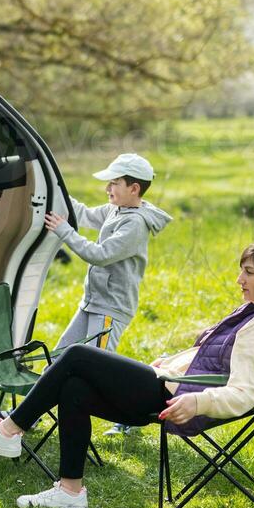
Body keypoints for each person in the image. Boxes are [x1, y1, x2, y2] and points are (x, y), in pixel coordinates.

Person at [0, 240, 254, 508]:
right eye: (242, 269)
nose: (240, 278)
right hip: (168, 385)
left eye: (250, 272)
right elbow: (216, 358)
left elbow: (245, 391)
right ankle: (70, 492)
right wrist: (175, 361)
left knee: (78, 355)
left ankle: (10, 430)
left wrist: (195, 400)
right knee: (74, 386)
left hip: (171, 399)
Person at [42, 152, 172, 436]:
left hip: (111, 308)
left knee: (98, 371)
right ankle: (33, 411)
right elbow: (86, 214)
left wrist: (64, 231)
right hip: (91, 303)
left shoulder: (135, 225)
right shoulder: (115, 210)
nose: (107, 189)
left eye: (114, 183)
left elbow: (100, 255)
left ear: (134, 188)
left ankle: (131, 414)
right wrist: (54, 190)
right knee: (60, 356)